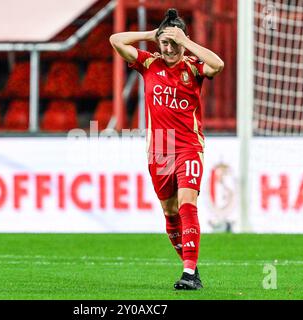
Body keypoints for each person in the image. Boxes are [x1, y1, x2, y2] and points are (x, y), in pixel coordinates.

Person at [110, 8, 224, 290]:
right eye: (165, 42)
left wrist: (185, 41)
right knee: (170, 213)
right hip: (159, 150)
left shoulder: (194, 66)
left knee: (187, 203)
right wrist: (152, 34)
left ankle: (186, 273)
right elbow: (115, 39)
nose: (170, 48)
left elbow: (218, 64)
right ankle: (192, 267)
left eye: (174, 43)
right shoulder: (149, 63)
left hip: (188, 146)